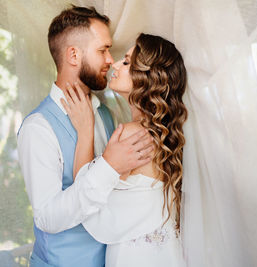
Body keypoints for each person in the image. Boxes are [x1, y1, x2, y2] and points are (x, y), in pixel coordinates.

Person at [17, 6, 154, 267]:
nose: (109, 60)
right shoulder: (38, 127)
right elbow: (47, 218)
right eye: (102, 50)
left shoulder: (107, 114)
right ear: (73, 54)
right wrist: (108, 167)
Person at [62, 33, 188, 267]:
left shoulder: (133, 134)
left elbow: (85, 196)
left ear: (148, 77)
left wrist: (86, 129)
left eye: (127, 62)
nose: (116, 64)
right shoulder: (164, 136)